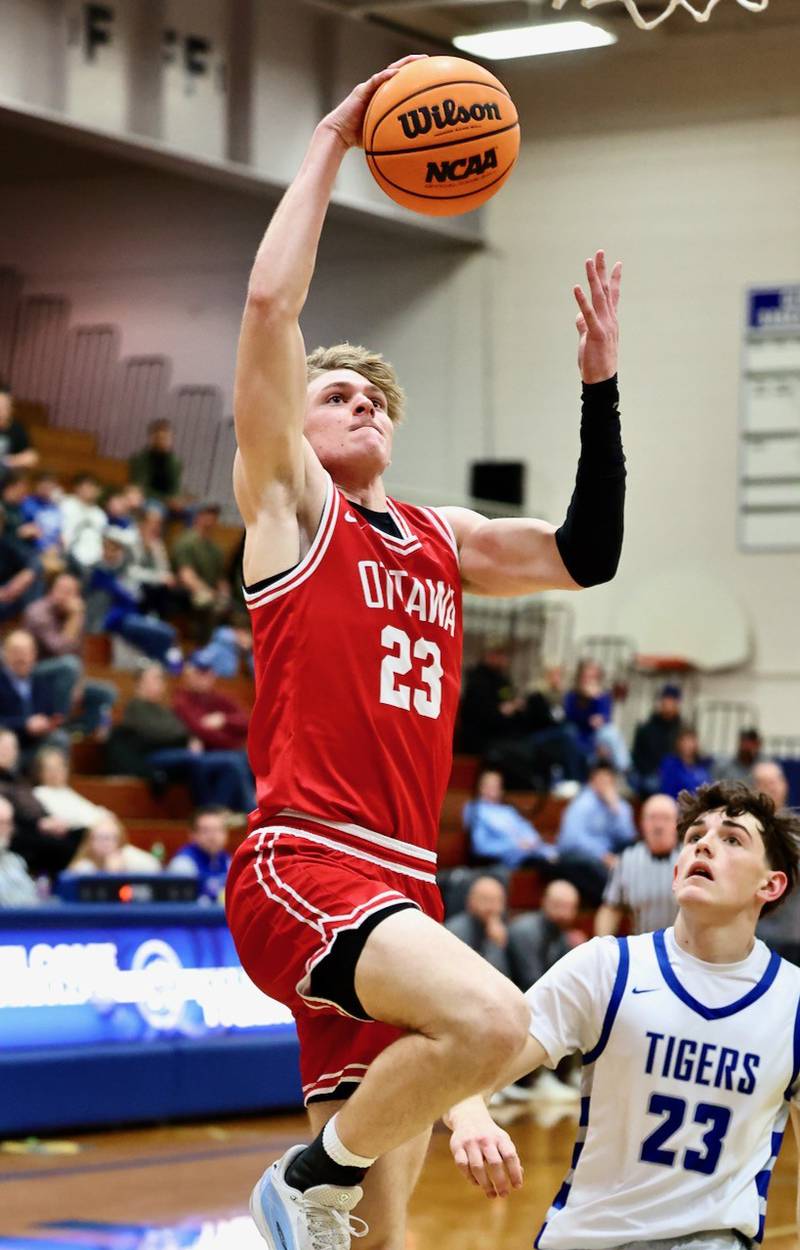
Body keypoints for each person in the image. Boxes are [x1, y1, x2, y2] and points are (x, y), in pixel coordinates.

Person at [223, 54, 626, 1250]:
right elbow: (265, 315)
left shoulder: (441, 539)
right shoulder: (292, 509)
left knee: (381, 1242)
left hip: (401, 882)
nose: (359, 402)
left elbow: (585, 553)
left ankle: (315, 1195)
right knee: (499, 1023)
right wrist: (332, 143)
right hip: (307, 862)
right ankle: (298, 1182)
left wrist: (598, 390)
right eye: (334, 391)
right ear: (288, 422)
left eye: (373, 397)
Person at [446, 780, 800, 1250]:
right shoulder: (606, 966)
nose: (706, 844)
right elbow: (469, 1073)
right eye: (695, 837)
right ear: (677, 870)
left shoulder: (792, 1001)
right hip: (589, 1236)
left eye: (732, 838)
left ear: (770, 884)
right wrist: (470, 1116)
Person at [113, 663, 255, 813]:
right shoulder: (136, 707)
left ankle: (219, 810)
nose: (162, 682)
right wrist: (187, 738)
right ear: (139, 682)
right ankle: (221, 810)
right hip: (150, 757)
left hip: (177, 753)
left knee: (234, 761)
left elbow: (246, 720)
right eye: (156, 678)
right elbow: (159, 733)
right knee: (212, 760)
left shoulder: (161, 708)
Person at [23, 572, 118, 734]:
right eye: (60, 590)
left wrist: (79, 683)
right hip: (33, 674)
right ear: (51, 591)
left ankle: (78, 730)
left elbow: (79, 654)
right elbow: (59, 650)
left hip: (64, 675)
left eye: (70, 592)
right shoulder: (38, 612)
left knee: (108, 692)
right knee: (69, 665)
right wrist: (74, 618)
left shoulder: (73, 615)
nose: (64, 596)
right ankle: (60, 724)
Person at [85, 528, 183, 670]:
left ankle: (168, 670)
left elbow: (149, 584)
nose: (112, 553)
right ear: (102, 549)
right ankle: (172, 672)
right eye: (108, 548)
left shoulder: (125, 571)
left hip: (126, 619)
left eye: (116, 549)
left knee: (166, 636)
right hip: (107, 621)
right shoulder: (96, 571)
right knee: (166, 634)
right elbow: (123, 598)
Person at [595, 792, 680, 936]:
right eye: (652, 818)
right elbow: (611, 908)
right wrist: (602, 945)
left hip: (686, 950)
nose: (658, 825)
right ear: (642, 824)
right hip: (642, 950)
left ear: (678, 824)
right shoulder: (626, 860)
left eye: (666, 819)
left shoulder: (691, 858)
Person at [0, 730, 81, 878]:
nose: (9, 752)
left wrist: (50, 818)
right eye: (4, 747)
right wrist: (39, 823)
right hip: (17, 832)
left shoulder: (17, 779)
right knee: (59, 846)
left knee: (77, 835)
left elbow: (34, 805)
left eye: (13, 748)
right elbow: (11, 815)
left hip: (35, 826)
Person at [556, 763, 637, 905]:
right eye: (601, 780)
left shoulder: (618, 804)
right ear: (592, 781)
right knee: (595, 868)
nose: (605, 785)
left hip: (609, 853)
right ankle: (615, 902)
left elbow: (628, 837)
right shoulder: (582, 804)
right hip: (582, 855)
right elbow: (571, 840)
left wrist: (616, 810)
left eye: (608, 780)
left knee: (635, 854)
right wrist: (602, 855)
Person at [463, 769, 557, 869]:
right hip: (505, 862)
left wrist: (538, 845)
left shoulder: (508, 810)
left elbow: (528, 832)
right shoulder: (475, 809)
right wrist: (515, 845)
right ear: (480, 787)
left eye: (497, 785)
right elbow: (480, 847)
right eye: (489, 785)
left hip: (533, 854)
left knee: (562, 860)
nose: (493, 788)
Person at [0, 630, 68, 758]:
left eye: (26, 652)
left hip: (36, 744)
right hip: (7, 744)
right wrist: (24, 724)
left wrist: (48, 723)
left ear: (34, 655)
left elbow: (49, 712)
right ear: (5, 654)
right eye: (16, 651)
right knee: (6, 742)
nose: (21, 657)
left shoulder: (41, 683)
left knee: (59, 738)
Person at [507, 879, 584, 991]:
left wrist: (578, 952)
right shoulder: (525, 931)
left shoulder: (563, 934)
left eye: (569, 907)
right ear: (544, 902)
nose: (564, 914)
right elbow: (532, 982)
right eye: (558, 906)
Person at [170, 502, 230, 639]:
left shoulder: (215, 549)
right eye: (206, 514)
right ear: (197, 516)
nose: (210, 519)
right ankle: (199, 647)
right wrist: (210, 593)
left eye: (214, 515)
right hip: (187, 591)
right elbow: (186, 575)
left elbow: (221, 578)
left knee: (229, 608)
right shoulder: (186, 542)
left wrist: (224, 595)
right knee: (206, 603)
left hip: (211, 592)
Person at [172, 653, 250, 751]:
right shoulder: (182, 700)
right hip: (210, 752)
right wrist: (235, 741)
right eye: (199, 673)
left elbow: (246, 721)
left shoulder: (218, 696)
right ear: (188, 674)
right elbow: (203, 732)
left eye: (209, 672)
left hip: (229, 750)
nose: (206, 677)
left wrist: (224, 720)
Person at [563, 658, 630, 773]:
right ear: (580, 677)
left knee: (611, 731)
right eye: (586, 676)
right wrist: (586, 700)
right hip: (580, 735)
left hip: (597, 735)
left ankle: (624, 768)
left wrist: (596, 700)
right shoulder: (572, 696)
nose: (589, 680)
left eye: (593, 677)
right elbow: (572, 717)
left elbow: (605, 717)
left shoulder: (602, 696)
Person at [445, 875, 512, 978]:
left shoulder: (502, 927)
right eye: (485, 900)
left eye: (498, 901)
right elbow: (485, 977)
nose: (492, 907)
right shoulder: (455, 930)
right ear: (470, 901)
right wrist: (494, 943)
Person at [32, 745, 107, 832]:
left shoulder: (66, 790)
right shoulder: (39, 793)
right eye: (49, 769)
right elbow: (66, 819)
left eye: (59, 767)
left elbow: (91, 811)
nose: (55, 772)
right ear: (40, 772)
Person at [167, 805, 232, 902]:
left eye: (218, 830)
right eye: (206, 831)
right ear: (193, 835)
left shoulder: (228, 860)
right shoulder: (183, 864)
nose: (212, 837)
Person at [631, 684, 685, 797]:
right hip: (650, 773)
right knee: (653, 784)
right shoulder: (646, 728)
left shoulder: (682, 730)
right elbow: (637, 756)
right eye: (667, 700)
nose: (669, 705)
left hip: (675, 773)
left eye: (673, 701)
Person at [69, 810, 161, 875]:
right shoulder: (84, 867)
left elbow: (155, 867)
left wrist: (122, 870)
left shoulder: (129, 856)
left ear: (119, 841)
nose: (104, 843)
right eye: (99, 838)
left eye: (108, 838)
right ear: (90, 841)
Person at [128, 417, 185, 509]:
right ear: (152, 438)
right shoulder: (141, 459)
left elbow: (176, 489)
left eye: (167, 438)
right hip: (150, 499)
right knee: (154, 509)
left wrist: (177, 499)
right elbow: (139, 487)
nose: (163, 441)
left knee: (193, 511)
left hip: (170, 503)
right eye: (160, 438)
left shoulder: (176, 462)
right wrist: (166, 499)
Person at [59, 473, 108, 571]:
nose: (89, 490)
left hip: (95, 562)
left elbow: (102, 539)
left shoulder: (100, 514)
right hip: (70, 559)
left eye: (92, 487)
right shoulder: (66, 505)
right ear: (77, 488)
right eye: (86, 486)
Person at [0, 508, 38, 621]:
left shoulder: (6, 544)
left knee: (36, 573)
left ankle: (31, 621)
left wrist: (27, 574)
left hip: (7, 594)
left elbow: (32, 560)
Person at [0, 794, 38, 906]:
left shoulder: (15, 862)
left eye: (9, 823)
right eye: (1, 823)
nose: (7, 830)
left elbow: (31, 903)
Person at [659, 726, 712, 800]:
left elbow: (708, 788)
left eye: (691, 740)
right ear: (678, 743)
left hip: (700, 806)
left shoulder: (702, 765)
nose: (688, 745)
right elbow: (668, 791)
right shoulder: (670, 764)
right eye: (685, 741)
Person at [0, 382, 38, 483]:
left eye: (5, 406)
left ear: (11, 408)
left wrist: (6, 461)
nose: (2, 410)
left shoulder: (17, 429)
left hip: (5, 486)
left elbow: (31, 458)